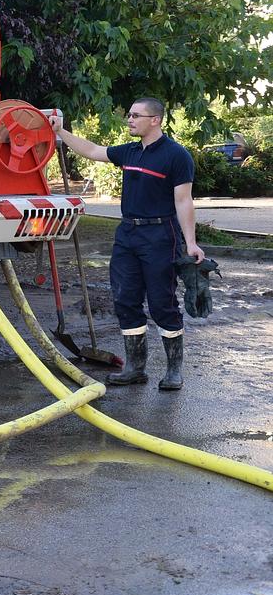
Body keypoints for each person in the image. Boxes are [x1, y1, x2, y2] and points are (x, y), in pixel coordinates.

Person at [49, 98, 203, 390]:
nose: (129, 120)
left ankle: (173, 372)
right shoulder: (130, 151)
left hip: (160, 236)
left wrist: (191, 243)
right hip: (127, 235)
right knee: (125, 300)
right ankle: (135, 367)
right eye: (129, 114)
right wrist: (61, 133)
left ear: (155, 120)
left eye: (136, 115)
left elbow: (183, 201)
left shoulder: (176, 156)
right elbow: (93, 150)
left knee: (162, 304)